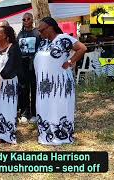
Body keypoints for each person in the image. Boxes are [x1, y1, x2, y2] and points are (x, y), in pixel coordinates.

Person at [35, 17, 86, 145]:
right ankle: (47, 135)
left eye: (41, 30)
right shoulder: (43, 42)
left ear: (50, 28)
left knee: (60, 107)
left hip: (61, 83)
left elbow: (82, 48)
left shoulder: (64, 39)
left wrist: (69, 61)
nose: (40, 33)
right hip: (44, 85)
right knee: (45, 107)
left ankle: (62, 137)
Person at [0, 25, 21, 144]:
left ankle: (8, 136)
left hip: (8, 83)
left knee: (8, 108)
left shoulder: (13, 47)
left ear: (5, 36)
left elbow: (11, 65)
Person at [17, 13, 41, 123]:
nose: (26, 20)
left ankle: (35, 113)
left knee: (34, 89)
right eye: (24, 19)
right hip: (22, 66)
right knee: (23, 90)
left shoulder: (37, 33)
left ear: (32, 20)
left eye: (28, 18)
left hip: (34, 65)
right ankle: (25, 113)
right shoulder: (20, 34)